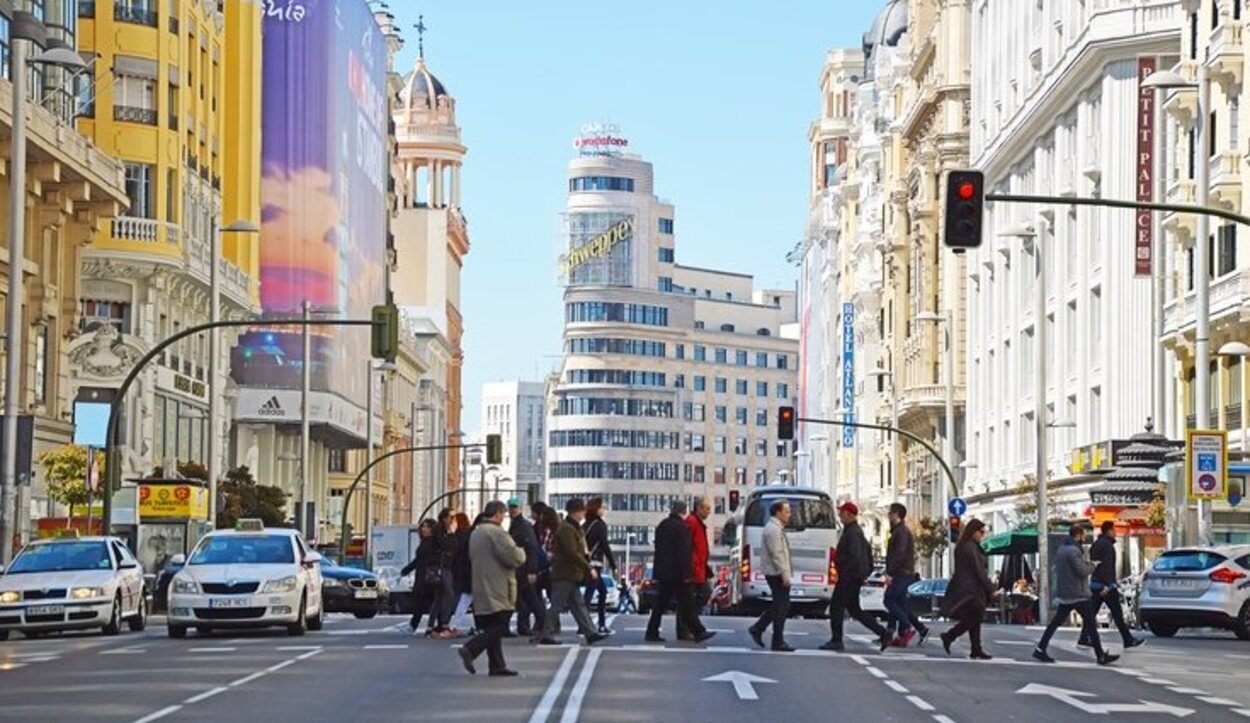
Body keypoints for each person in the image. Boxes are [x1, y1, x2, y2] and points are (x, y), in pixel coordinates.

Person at [457, 501, 527, 677]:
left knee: (491, 624)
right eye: (503, 514)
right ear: (497, 514)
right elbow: (513, 557)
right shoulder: (497, 533)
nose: (503, 518)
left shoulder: (477, 532)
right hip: (498, 584)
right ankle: (471, 649)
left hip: (481, 582)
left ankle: (497, 665)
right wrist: (522, 552)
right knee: (501, 624)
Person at [1033, 525, 1120, 666]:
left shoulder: (1062, 549)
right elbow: (1081, 571)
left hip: (1066, 592)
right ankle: (1100, 656)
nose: (1084, 537)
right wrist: (1093, 565)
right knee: (1091, 624)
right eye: (1084, 535)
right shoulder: (1073, 551)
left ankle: (1040, 648)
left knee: (1055, 623)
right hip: (1077, 593)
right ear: (1078, 535)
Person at [532, 499, 608, 646]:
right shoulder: (567, 529)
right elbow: (572, 552)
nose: (584, 513)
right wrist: (589, 567)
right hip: (565, 573)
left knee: (578, 605)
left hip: (569, 573)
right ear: (575, 512)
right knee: (557, 605)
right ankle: (546, 634)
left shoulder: (573, 527)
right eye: (582, 510)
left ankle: (590, 632)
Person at [821, 501, 892, 652]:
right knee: (854, 609)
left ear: (848, 514)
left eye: (841, 513)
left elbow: (854, 556)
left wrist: (840, 561)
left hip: (849, 577)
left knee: (836, 607)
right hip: (854, 576)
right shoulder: (854, 531)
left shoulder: (852, 532)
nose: (839, 516)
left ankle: (836, 639)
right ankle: (883, 632)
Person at [645, 500, 715, 644]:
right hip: (679, 574)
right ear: (683, 512)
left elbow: (658, 548)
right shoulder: (682, 527)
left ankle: (652, 631)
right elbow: (684, 553)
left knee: (661, 605)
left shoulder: (663, 525)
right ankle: (698, 632)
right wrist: (687, 574)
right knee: (687, 604)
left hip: (664, 572)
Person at [1080, 521, 1144, 650]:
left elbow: (1096, 566)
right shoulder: (1108, 546)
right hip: (1106, 586)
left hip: (1095, 584)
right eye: (1114, 530)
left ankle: (1083, 638)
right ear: (1109, 531)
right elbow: (1107, 567)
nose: (1115, 533)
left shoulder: (1095, 545)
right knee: (1117, 614)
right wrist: (1109, 585)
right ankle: (1128, 640)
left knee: (1091, 614)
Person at [939, 518, 997, 660]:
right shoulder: (970, 547)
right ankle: (949, 635)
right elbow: (978, 570)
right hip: (971, 589)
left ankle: (976, 649)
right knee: (976, 616)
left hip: (966, 587)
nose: (982, 535)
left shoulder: (964, 545)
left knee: (974, 618)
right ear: (973, 532)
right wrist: (991, 588)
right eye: (981, 532)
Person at [747, 499, 794, 652]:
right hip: (775, 573)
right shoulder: (773, 530)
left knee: (780, 604)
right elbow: (777, 554)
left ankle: (759, 628)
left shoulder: (776, 528)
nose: (789, 514)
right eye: (786, 511)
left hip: (775, 572)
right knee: (782, 605)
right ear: (778, 512)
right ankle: (777, 640)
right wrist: (784, 574)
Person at [883, 503, 930, 647]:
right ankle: (919, 629)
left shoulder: (901, 532)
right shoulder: (899, 530)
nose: (888, 514)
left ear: (896, 514)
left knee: (889, 600)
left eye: (890, 512)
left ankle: (907, 626)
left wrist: (890, 572)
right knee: (901, 604)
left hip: (901, 573)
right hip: (904, 572)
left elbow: (900, 554)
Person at [507, 498, 545, 637]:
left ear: (521, 509)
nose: (512, 510)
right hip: (519, 568)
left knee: (530, 599)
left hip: (524, 568)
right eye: (510, 507)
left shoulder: (523, 525)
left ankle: (544, 625)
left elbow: (532, 548)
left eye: (515, 507)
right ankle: (525, 626)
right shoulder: (516, 525)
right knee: (523, 600)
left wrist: (532, 570)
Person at [677, 498, 713, 640]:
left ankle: (688, 627)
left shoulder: (697, 523)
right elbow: (687, 546)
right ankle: (687, 628)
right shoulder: (692, 522)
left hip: (698, 568)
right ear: (698, 508)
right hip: (692, 569)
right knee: (691, 599)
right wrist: (690, 565)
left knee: (697, 597)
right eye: (706, 508)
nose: (709, 512)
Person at [582, 497, 617, 633]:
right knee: (590, 594)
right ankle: (587, 624)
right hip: (595, 563)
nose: (604, 509)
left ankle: (599, 623)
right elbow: (605, 545)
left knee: (601, 592)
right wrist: (613, 565)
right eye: (602, 507)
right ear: (597, 509)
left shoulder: (585, 525)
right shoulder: (600, 525)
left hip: (585, 561)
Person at [399, 519, 438, 634]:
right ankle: (415, 625)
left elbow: (422, 560)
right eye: (423, 527)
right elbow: (418, 561)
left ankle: (417, 625)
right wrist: (406, 570)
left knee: (426, 602)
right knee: (422, 602)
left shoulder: (432, 543)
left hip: (428, 576)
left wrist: (407, 569)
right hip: (422, 576)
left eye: (428, 527)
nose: (424, 529)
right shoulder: (425, 542)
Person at [427, 509, 460, 638]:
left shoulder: (444, 531)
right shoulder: (438, 531)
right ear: (444, 518)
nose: (453, 520)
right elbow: (448, 546)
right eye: (451, 517)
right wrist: (452, 533)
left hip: (445, 566)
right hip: (440, 567)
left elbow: (454, 547)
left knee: (440, 597)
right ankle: (445, 625)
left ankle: (431, 627)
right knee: (449, 595)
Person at [447, 512, 478, 636]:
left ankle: (453, 626)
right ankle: (454, 626)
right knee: (467, 600)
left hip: (464, 573)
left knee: (465, 600)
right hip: (471, 573)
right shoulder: (468, 535)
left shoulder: (459, 536)